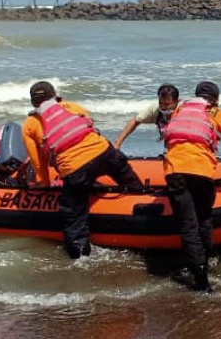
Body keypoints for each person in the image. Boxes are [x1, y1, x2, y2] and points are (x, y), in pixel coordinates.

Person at [22, 81, 143, 259]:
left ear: (33, 103)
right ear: (54, 95)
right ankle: (141, 204)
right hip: (104, 152)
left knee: (73, 216)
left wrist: (44, 185)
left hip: (74, 167)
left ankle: (81, 258)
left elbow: (39, 163)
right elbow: (89, 127)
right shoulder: (73, 106)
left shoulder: (29, 125)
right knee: (129, 179)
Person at [162, 81, 221, 291]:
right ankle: (206, 266)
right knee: (203, 217)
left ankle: (199, 273)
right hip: (202, 172)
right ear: (216, 100)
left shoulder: (179, 111)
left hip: (175, 171)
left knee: (188, 225)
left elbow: (170, 141)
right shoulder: (215, 113)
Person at [113, 84, 180, 149]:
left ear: (176, 102)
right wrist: (118, 142)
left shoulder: (184, 110)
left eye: (167, 104)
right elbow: (135, 121)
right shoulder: (155, 109)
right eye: (160, 103)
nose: (163, 107)